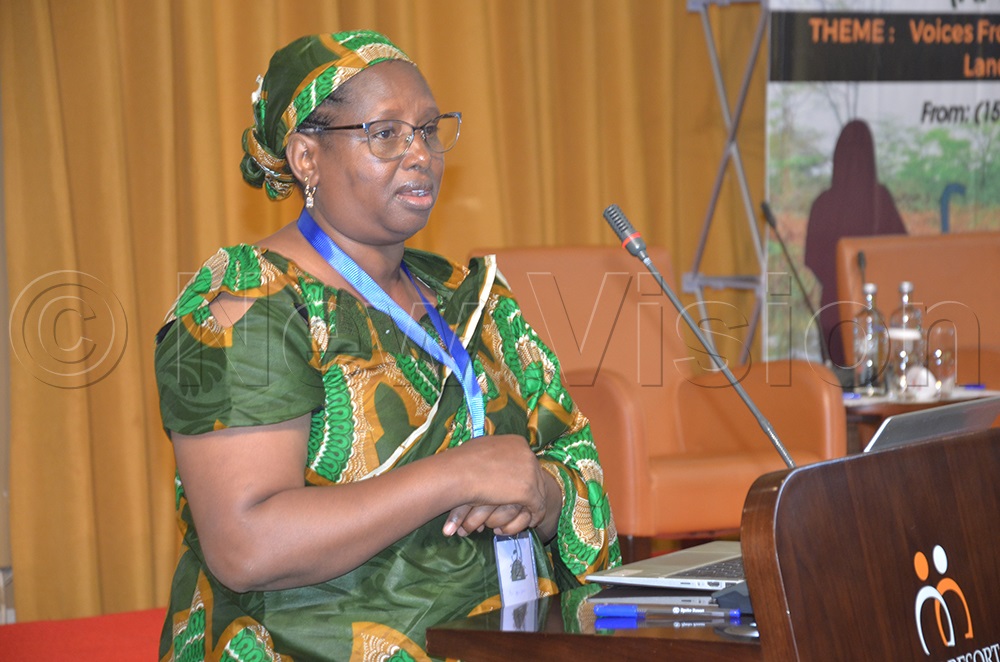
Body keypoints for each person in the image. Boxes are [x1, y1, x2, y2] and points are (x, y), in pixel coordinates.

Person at [153, 30, 621, 661]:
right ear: (306, 158)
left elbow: (568, 451)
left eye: (429, 130)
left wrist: (542, 493)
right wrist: (456, 475)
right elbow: (246, 544)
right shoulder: (248, 304)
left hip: (514, 639)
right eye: (385, 134)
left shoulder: (469, 296)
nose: (420, 153)